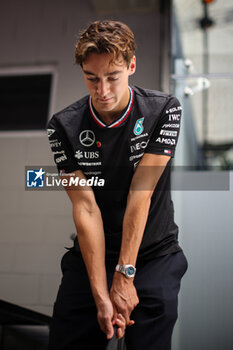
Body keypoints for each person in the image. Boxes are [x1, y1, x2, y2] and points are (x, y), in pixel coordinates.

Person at [47, 20, 187, 350]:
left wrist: (124, 276)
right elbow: (85, 207)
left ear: (132, 66)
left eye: (113, 77)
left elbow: (142, 193)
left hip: (153, 255)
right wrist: (100, 293)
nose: (103, 90)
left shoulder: (164, 110)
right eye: (92, 78)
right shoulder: (63, 127)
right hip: (92, 258)